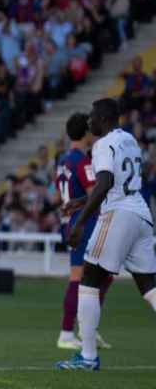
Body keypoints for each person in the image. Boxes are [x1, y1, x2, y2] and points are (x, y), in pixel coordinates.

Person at [58, 98, 156, 371]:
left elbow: (104, 182)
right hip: (141, 213)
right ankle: (87, 355)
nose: (89, 122)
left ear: (103, 118)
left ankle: (87, 358)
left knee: (88, 280)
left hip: (118, 214)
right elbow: (120, 182)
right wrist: (79, 202)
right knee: (149, 286)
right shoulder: (129, 140)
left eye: (92, 116)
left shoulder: (102, 144)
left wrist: (79, 224)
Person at [55, 113, 113, 350]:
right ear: (87, 133)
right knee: (79, 277)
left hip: (72, 221)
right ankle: (66, 333)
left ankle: (88, 330)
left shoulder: (63, 159)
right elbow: (93, 194)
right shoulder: (82, 161)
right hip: (83, 223)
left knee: (104, 276)